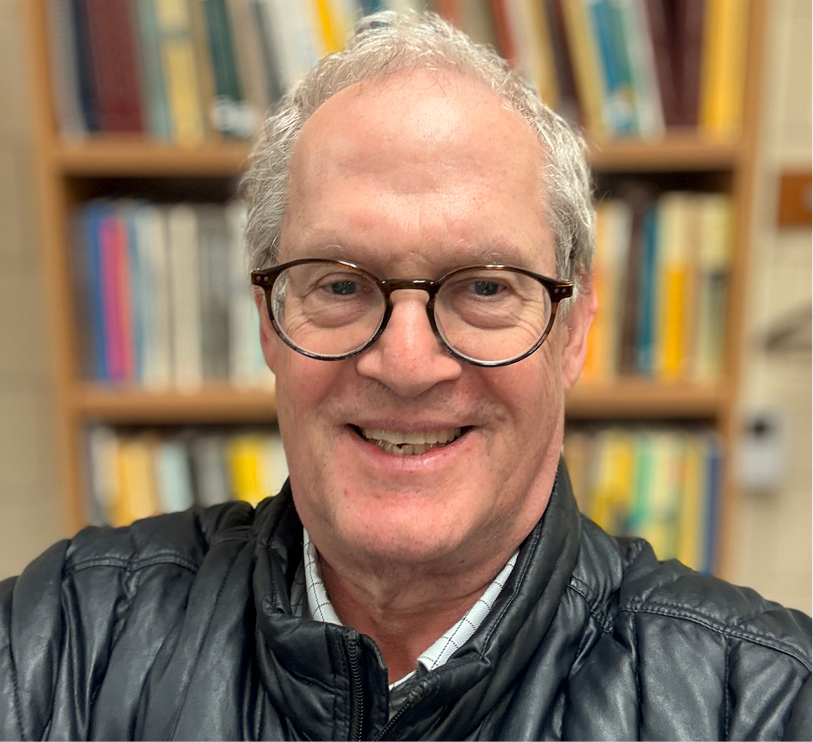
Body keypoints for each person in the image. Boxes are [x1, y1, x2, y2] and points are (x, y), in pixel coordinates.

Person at [1, 11, 810, 741]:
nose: (407, 363)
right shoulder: (61, 641)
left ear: (572, 329)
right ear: (268, 324)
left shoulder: (765, 702)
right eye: (342, 285)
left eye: (486, 286)